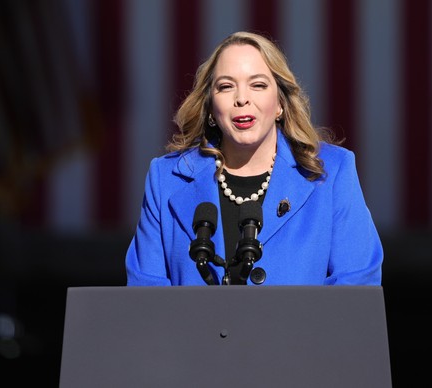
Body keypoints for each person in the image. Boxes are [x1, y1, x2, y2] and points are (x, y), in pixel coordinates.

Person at [125, 31, 383, 286]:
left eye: (258, 84)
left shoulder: (333, 172)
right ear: (211, 108)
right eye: (226, 87)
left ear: (280, 103)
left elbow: (357, 285)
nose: (242, 99)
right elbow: (145, 297)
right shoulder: (165, 178)